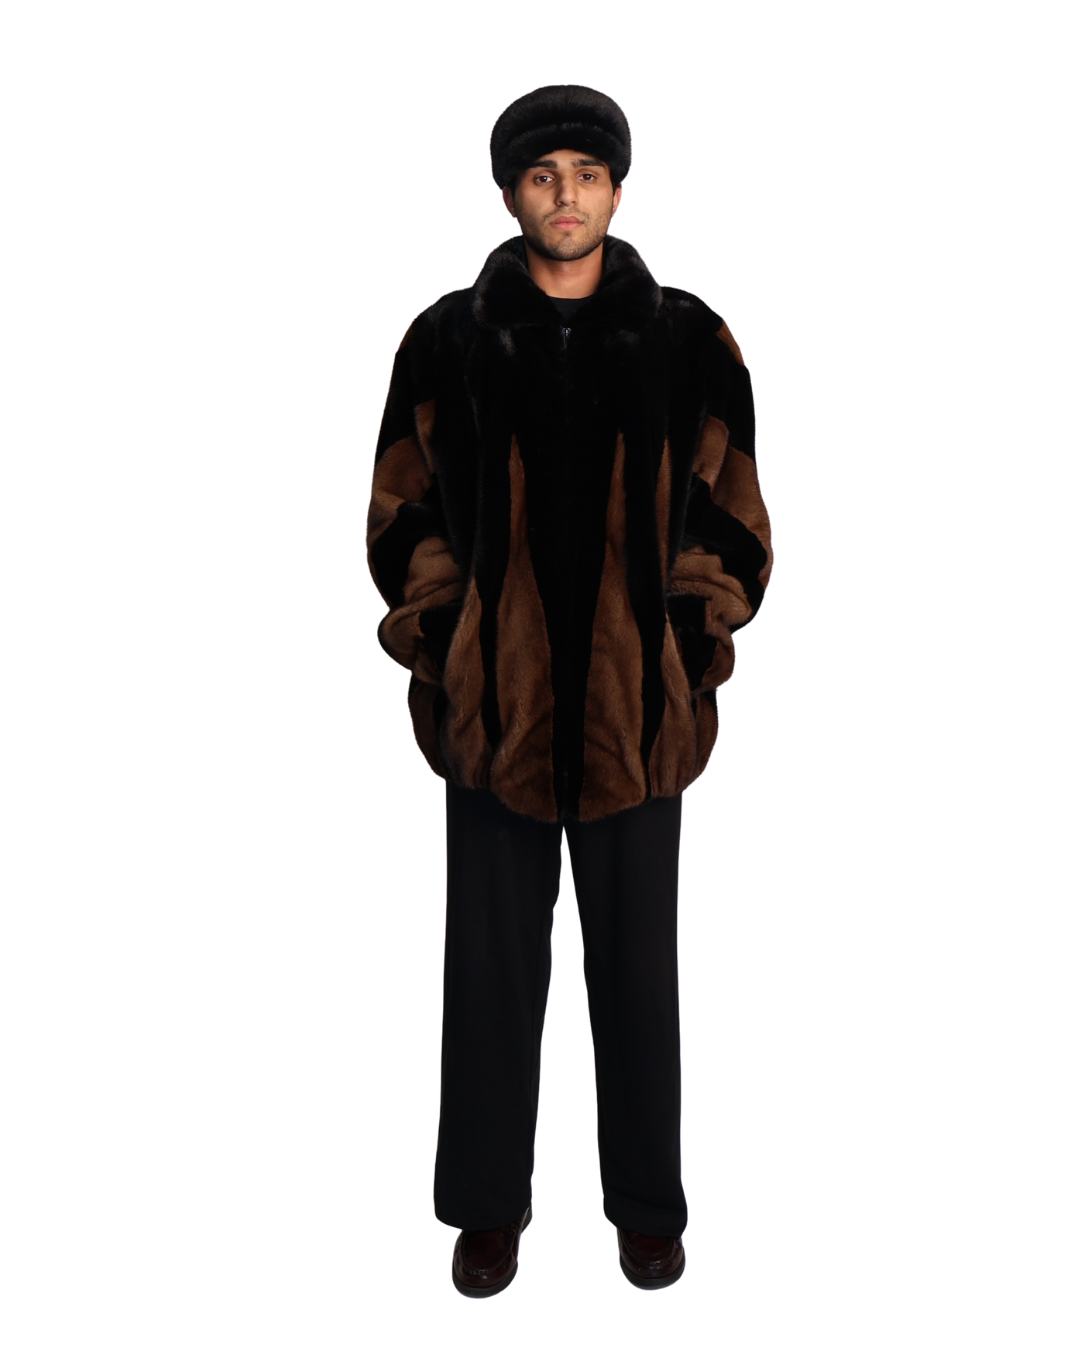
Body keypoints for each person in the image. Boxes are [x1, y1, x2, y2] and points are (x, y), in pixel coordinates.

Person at [366, 84, 773, 1296]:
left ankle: (647, 1209)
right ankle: (487, 1209)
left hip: (639, 727)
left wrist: (681, 655)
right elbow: (402, 512)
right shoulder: (445, 340)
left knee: (638, 978)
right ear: (509, 192)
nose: (566, 195)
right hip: (491, 724)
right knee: (490, 977)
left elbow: (732, 516)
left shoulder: (689, 341)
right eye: (543, 175)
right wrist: (455, 651)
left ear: (617, 189)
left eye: (587, 174)